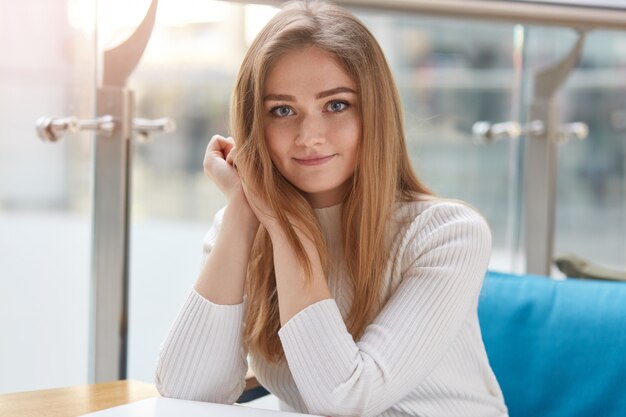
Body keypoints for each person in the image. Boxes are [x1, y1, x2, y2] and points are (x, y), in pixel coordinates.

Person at [155, 1, 508, 416]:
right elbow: (184, 394)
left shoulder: (447, 234)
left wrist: (282, 223)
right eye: (282, 111)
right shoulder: (243, 225)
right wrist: (242, 213)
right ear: (254, 124)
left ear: (373, 113)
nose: (310, 136)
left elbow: (347, 400)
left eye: (336, 105)